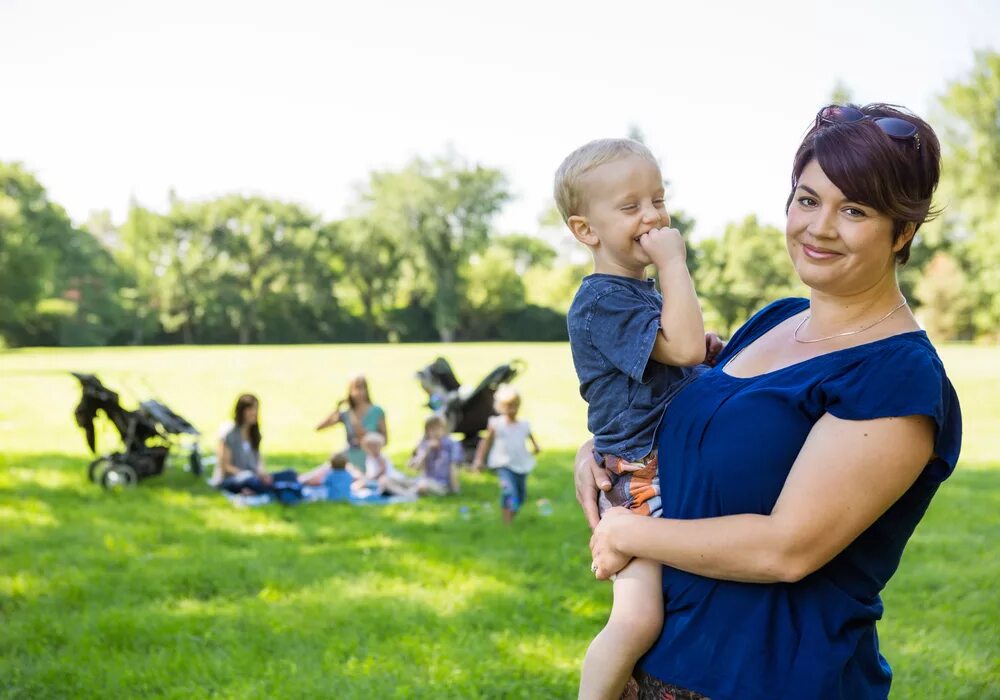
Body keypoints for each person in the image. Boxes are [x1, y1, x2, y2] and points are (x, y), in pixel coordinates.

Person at [578, 103, 962, 699]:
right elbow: (685, 421)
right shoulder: (774, 321)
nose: (820, 227)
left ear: (903, 231)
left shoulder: (895, 375)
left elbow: (787, 549)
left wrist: (630, 535)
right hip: (660, 669)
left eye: (854, 210)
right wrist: (597, 454)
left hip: (769, 681)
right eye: (807, 200)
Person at [555, 137, 711, 700]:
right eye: (630, 207)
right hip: (638, 474)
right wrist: (673, 261)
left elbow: (689, 351)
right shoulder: (602, 301)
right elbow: (685, 347)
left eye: (658, 200)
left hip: (662, 464)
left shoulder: (635, 294)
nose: (652, 216)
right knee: (638, 616)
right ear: (586, 230)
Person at [472, 386, 541, 524]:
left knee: (520, 496)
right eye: (508, 406)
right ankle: (507, 523)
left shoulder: (524, 425)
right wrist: (479, 460)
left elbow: (532, 440)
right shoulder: (496, 424)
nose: (512, 410)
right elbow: (485, 443)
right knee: (509, 492)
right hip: (503, 464)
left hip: (521, 464)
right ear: (501, 407)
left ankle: (511, 514)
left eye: (515, 406)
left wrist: (535, 448)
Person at [212, 394, 299, 495]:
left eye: (255, 409)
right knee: (249, 481)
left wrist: (262, 475)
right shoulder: (228, 434)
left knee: (290, 474)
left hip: (254, 477)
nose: (254, 413)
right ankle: (277, 488)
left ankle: (267, 488)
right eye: (250, 409)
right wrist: (247, 475)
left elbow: (259, 462)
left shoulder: (255, 434)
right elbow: (226, 467)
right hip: (233, 479)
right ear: (241, 411)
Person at [315, 374, 387, 470]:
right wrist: (337, 409)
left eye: (362, 388)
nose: (359, 392)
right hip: (348, 455)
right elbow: (319, 427)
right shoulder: (346, 413)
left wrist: (370, 441)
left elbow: (385, 440)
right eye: (355, 389)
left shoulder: (377, 411)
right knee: (320, 473)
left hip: (369, 457)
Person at [408, 414, 463, 495]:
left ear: (444, 429)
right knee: (410, 483)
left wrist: (455, 489)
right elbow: (416, 467)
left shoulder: (451, 444)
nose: (435, 432)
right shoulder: (424, 444)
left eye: (438, 428)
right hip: (426, 480)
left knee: (421, 486)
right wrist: (426, 450)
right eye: (432, 429)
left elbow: (453, 467)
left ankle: (405, 492)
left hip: (442, 484)